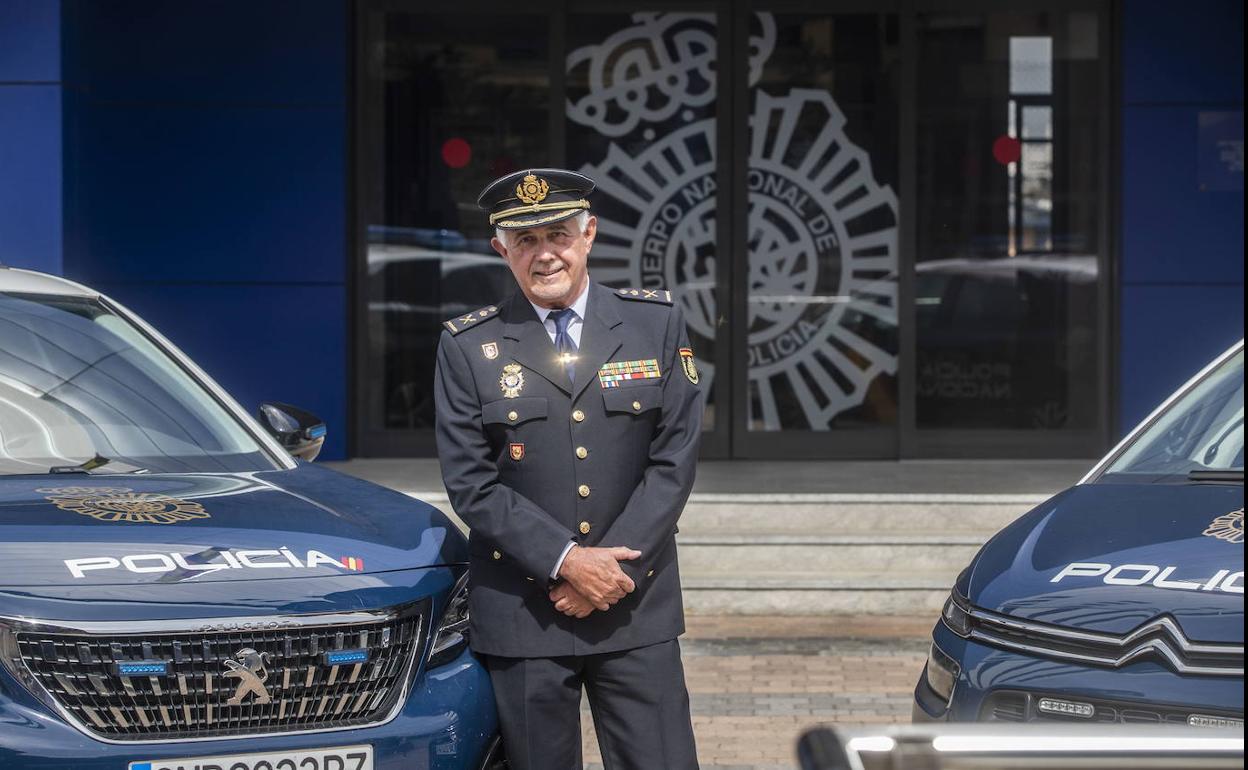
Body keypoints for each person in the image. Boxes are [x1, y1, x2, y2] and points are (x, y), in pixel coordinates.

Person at [434, 168, 704, 770]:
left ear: (589, 235)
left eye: (557, 234)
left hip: (634, 604)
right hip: (526, 611)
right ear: (501, 250)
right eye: (525, 241)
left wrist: (609, 572)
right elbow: (472, 484)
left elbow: (673, 460)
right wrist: (570, 562)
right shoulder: (466, 346)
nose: (545, 253)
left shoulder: (653, 324)